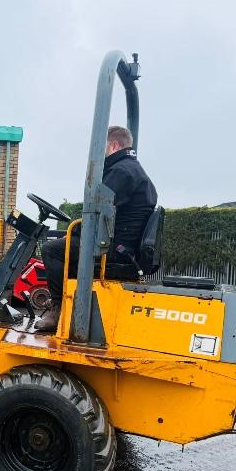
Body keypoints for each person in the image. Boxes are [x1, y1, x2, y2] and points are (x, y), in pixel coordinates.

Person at [34, 126, 157, 332]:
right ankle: (71, 306)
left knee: (52, 250)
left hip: (114, 249)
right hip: (122, 246)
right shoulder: (133, 170)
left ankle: (58, 309)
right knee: (67, 245)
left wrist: (73, 232)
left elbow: (97, 213)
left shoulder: (120, 172)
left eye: (103, 148)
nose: (101, 154)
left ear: (114, 145)